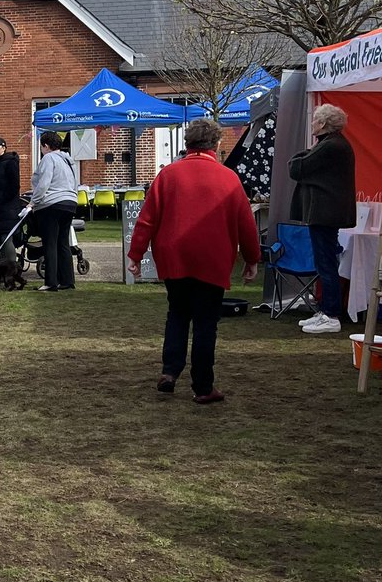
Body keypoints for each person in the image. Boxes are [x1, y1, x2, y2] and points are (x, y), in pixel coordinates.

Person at [128, 118, 261, 404]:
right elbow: (246, 223)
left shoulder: (167, 175)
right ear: (216, 144)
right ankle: (203, 386)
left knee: (177, 313)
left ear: (187, 143)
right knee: (205, 322)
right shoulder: (228, 178)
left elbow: (147, 219)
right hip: (212, 258)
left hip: (173, 255)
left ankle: (170, 371)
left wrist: (135, 255)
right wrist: (252, 259)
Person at [289, 103, 356, 335]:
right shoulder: (332, 144)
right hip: (327, 212)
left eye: (316, 120)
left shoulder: (331, 146)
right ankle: (327, 310)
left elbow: (297, 168)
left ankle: (331, 314)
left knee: (326, 262)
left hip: (326, 213)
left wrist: (301, 155)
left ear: (324, 124)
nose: (313, 124)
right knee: (325, 261)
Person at [30, 132, 78, 292]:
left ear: (45, 146)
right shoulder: (68, 160)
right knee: (63, 242)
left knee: (50, 243)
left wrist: (33, 202)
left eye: (41, 147)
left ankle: (50, 281)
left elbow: (44, 183)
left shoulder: (48, 158)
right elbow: (73, 182)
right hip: (70, 202)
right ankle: (67, 280)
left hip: (51, 204)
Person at [0, 136, 22, 260]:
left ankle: (12, 269)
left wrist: (4, 200)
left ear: (4, 148)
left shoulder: (10, 162)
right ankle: (1, 270)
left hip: (9, 208)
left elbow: (14, 186)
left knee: (6, 238)